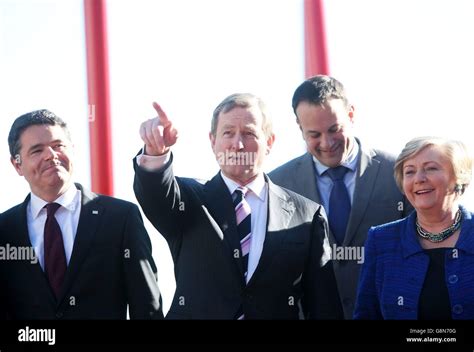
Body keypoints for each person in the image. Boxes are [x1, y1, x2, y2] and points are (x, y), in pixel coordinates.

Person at [133, 93, 342, 319]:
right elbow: (156, 194)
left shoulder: (307, 215)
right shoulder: (187, 201)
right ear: (213, 141)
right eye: (228, 133)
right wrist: (156, 153)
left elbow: (325, 306)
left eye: (249, 133)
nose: (238, 145)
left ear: (269, 142)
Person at [269, 75, 411, 319]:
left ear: (352, 114)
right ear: (299, 127)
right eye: (314, 134)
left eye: (334, 129)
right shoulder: (277, 185)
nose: (327, 143)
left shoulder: (400, 172)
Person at [0, 109, 163, 319]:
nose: (51, 155)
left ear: (72, 150)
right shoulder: (5, 230)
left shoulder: (120, 218)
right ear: (17, 165)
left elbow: (147, 307)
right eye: (37, 150)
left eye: (58, 146)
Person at [354, 137, 474, 319]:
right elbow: (366, 314)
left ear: (458, 177)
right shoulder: (381, 240)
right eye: (410, 172)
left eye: (431, 168)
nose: (419, 179)